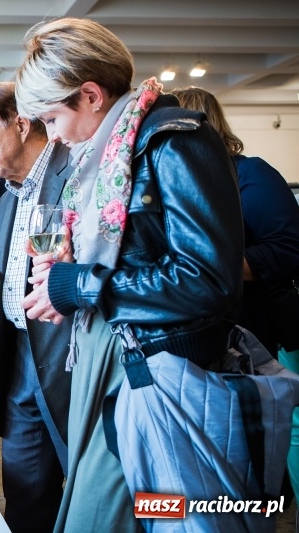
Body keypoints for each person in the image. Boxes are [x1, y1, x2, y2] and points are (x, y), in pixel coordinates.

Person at [15, 18, 243, 532]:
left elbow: (209, 281)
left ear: (91, 95)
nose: (51, 138)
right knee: (136, 511)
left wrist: (80, 285)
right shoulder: (103, 158)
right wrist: (68, 284)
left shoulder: (175, 141)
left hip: (157, 370)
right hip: (112, 355)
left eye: (50, 119)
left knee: (114, 515)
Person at [172, 85, 299, 508]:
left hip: (256, 330)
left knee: (261, 435)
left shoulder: (250, 174)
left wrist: (218, 270)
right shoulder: (183, 181)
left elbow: (288, 246)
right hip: (202, 330)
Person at [0, 81, 72, 531]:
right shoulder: (8, 199)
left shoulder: (75, 177)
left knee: (84, 499)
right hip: (19, 361)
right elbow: (21, 279)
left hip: (67, 365)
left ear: (22, 125)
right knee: (24, 495)